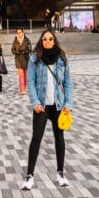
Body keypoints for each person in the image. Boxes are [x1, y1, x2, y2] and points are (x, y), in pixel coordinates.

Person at [22, 30, 72, 189]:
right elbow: (30, 82)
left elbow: (68, 83)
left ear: (54, 41)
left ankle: (60, 172)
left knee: (59, 138)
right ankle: (29, 175)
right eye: (45, 39)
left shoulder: (62, 58)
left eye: (50, 39)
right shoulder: (35, 59)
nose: (48, 41)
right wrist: (35, 102)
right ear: (41, 41)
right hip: (42, 106)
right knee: (36, 138)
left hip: (58, 105)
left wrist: (68, 104)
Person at [11, 28, 32, 94]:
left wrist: (23, 51)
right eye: (17, 32)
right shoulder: (15, 41)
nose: (19, 34)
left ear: (23, 33)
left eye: (20, 32)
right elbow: (12, 50)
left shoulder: (27, 40)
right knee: (21, 75)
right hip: (18, 60)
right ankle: (22, 90)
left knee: (26, 75)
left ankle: (25, 88)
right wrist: (16, 51)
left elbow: (30, 49)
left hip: (26, 59)